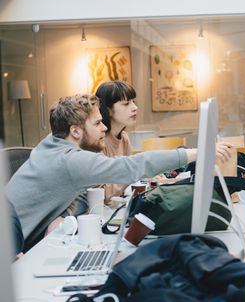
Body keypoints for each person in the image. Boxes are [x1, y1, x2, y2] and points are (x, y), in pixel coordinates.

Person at [5, 94, 231, 250]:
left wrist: (63, 216)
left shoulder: (51, 145)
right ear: (75, 131)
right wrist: (195, 152)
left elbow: (84, 194)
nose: (104, 128)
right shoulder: (68, 160)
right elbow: (130, 167)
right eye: (97, 123)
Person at [95, 80, 137, 201]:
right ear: (107, 109)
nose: (135, 107)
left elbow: (131, 171)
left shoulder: (124, 137)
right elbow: (103, 193)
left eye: (134, 102)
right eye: (126, 103)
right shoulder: (97, 141)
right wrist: (138, 172)